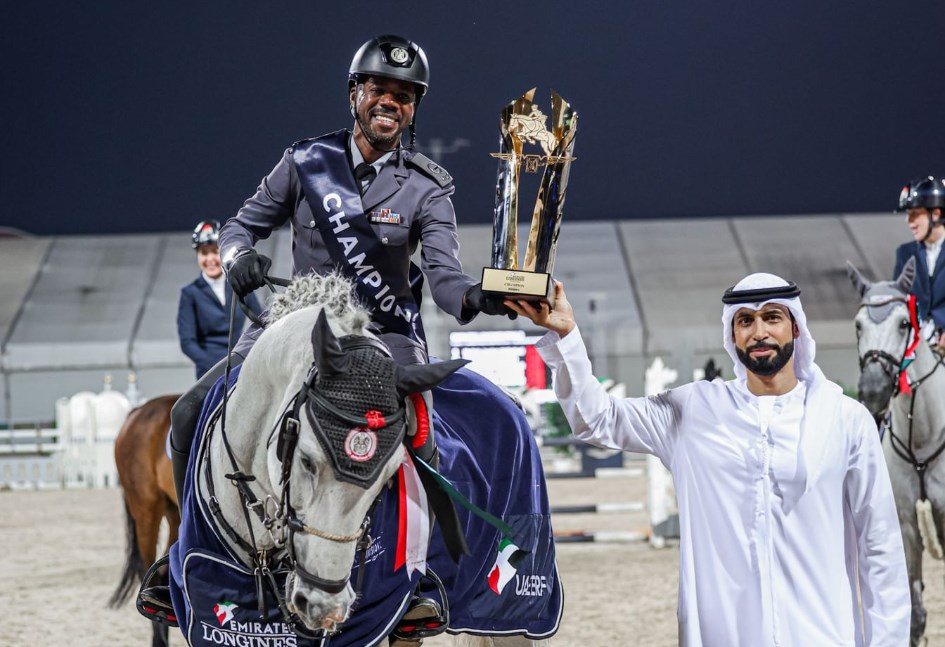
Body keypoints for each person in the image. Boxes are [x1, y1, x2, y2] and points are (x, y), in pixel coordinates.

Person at [147, 35, 517, 643]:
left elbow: (446, 279)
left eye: (404, 96)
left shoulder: (429, 186)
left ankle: (421, 578)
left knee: (421, 440)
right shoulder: (304, 161)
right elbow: (243, 224)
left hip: (384, 337)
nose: (390, 103)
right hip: (296, 325)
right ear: (356, 94)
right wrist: (239, 255)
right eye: (380, 90)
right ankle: (187, 554)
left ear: (412, 108)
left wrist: (479, 297)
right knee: (189, 414)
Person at [507, 274, 910, 645]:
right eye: (745, 321)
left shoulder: (844, 419)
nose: (759, 332)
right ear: (732, 335)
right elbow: (596, 419)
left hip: (823, 635)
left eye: (772, 317)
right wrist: (568, 337)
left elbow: (880, 547)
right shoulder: (695, 411)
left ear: (796, 327)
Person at [176, 220, 262, 379]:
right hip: (208, 371)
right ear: (198, 255)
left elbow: (262, 320)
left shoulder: (239, 284)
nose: (210, 259)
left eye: (214, 251)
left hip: (241, 364)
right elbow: (188, 343)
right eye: (204, 253)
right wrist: (215, 367)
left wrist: (250, 352)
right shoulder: (190, 293)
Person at [893, 175, 945, 352]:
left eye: (915, 215)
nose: (909, 223)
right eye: (908, 216)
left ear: (936, 213)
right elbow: (898, 302)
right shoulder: (904, 253)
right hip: (915, 349)